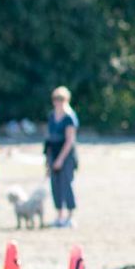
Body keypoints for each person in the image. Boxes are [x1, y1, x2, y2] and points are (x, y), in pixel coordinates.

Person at [45, 86, 79, 229]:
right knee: (55, 185)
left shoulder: (69, 117)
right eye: (56, 99)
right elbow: (48, 138)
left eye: (61, 99)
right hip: (53, 152)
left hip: (66, 155)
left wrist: (60, 159)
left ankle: (70, 217)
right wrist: (49, 159)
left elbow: (70, 140)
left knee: (66, 184)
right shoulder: (52, 116)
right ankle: (59, 215)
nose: (58, 102)